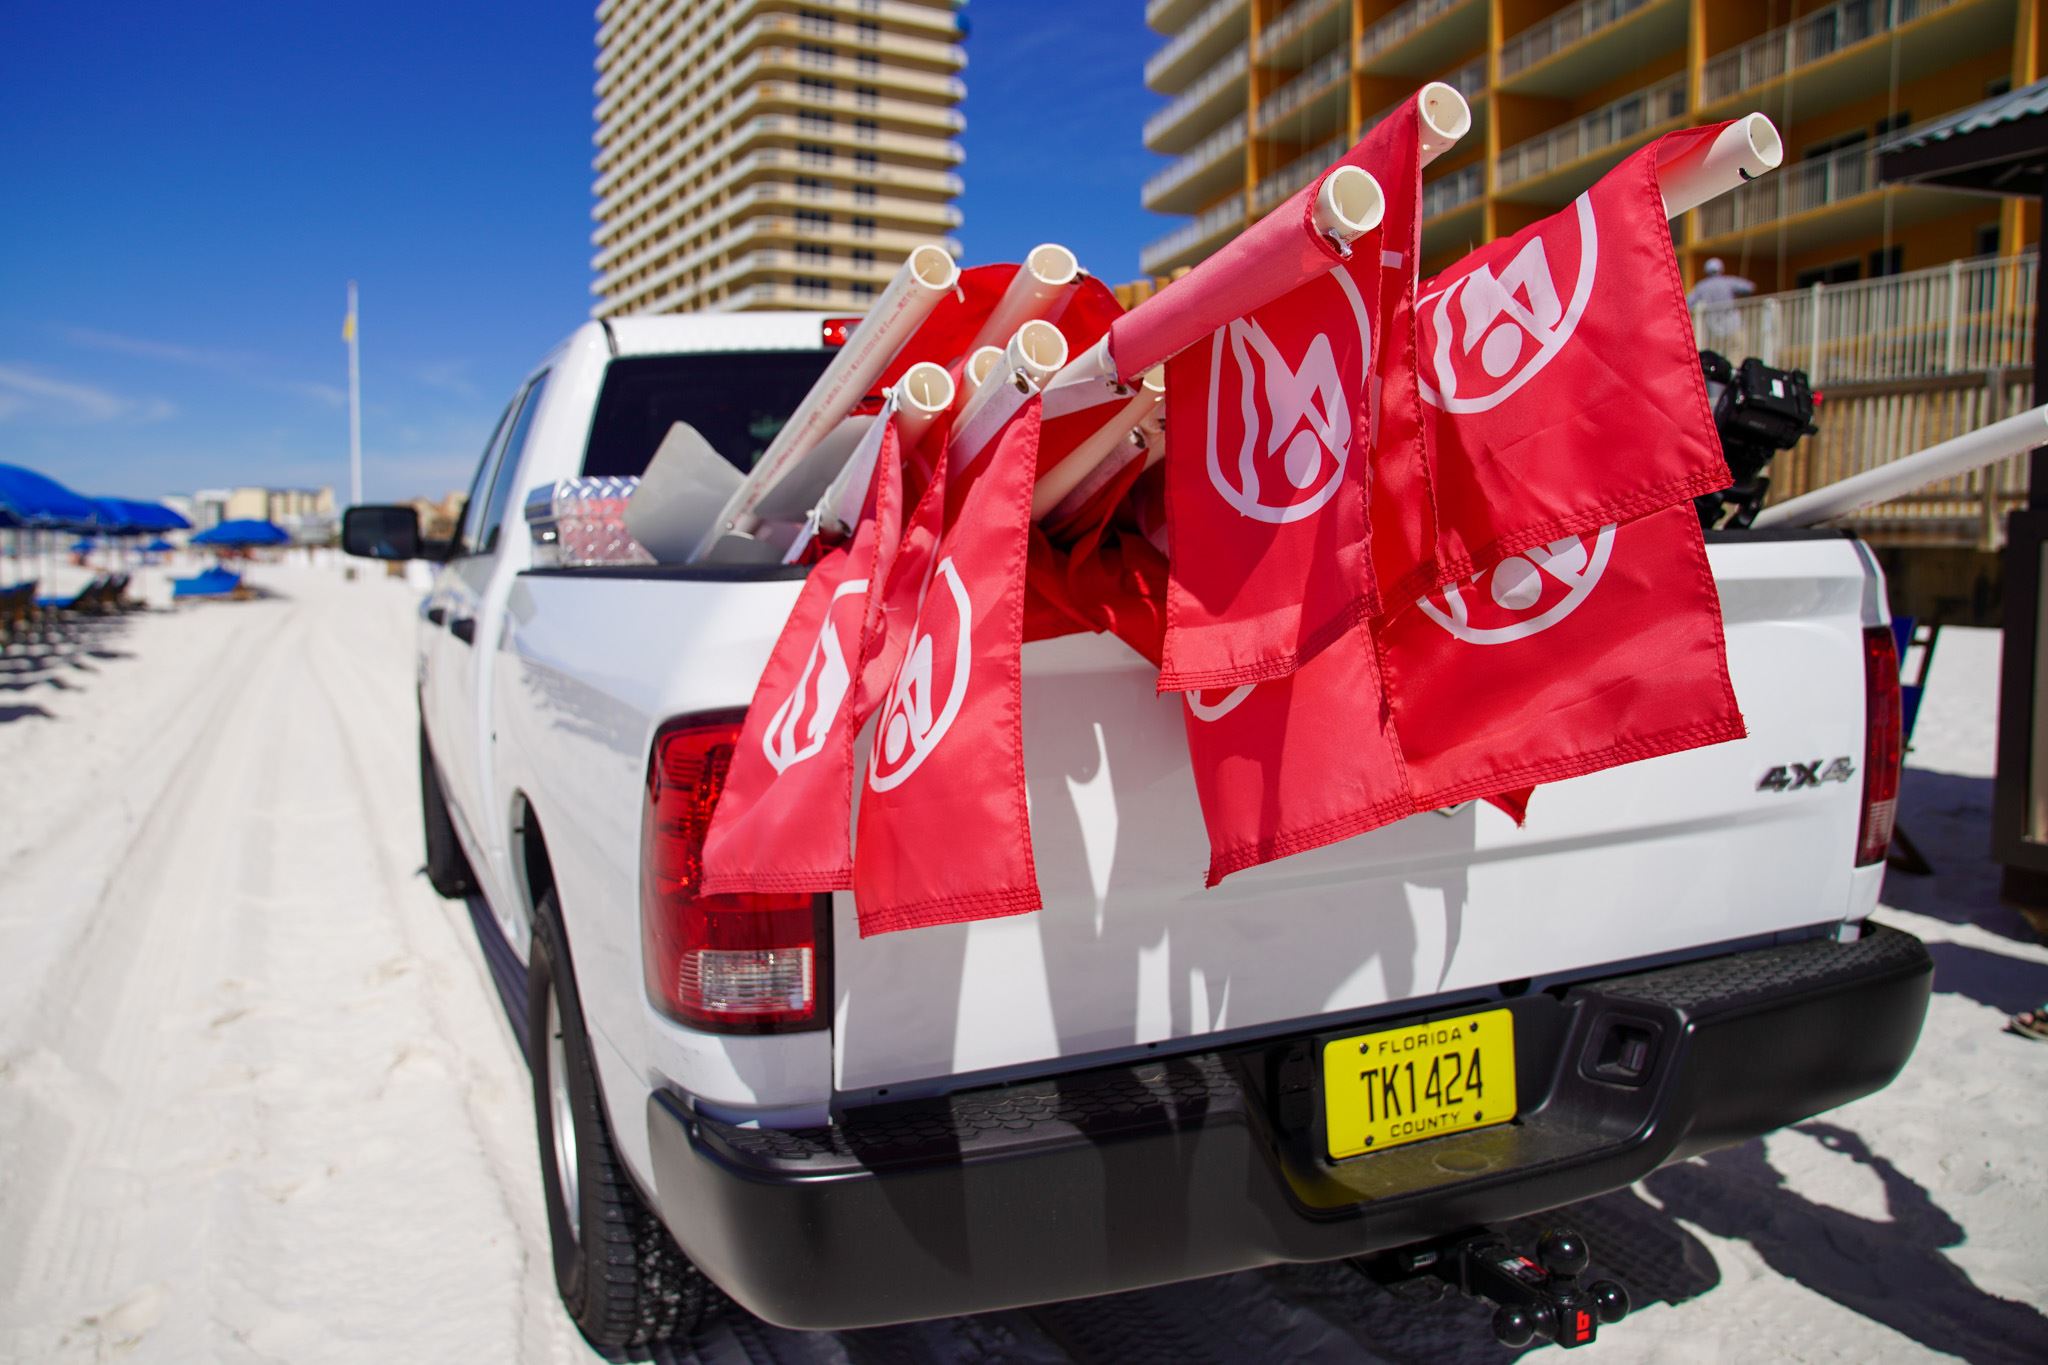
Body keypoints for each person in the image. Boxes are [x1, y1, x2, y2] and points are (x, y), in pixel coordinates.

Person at [1687, 257, 1756, 349]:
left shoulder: (1701, 286)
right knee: (1736, 351)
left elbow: (1688, 303)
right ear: (1721, 269)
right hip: (1732, 325)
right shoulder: (1728, 282)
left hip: (1713, 329)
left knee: (1717, 356)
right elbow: (1750, 287)